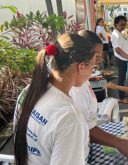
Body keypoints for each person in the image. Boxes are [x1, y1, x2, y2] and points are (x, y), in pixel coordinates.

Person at [13, 33, 95, 164]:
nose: (92, 72)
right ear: (81, 67)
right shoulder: (69, 117)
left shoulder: (29, 90)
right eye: (93, 66)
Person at [70, 30, 128, 158]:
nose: (100, 59)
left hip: (85, 148)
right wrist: (119, 143)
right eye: (96, 55)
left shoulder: (82, 79)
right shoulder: (75, 87)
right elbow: (86, 128)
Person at [111, 15, 128, 104]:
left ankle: (122, 92)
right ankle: (121, 97)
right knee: (121, 78)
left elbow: (121, 46)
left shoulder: (119, 33)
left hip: (122, 59)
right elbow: (117, 49)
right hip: (121, 59)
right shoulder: (116, 34)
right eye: (121, 24)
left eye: (124, 25)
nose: (123, 26)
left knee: (122, 78)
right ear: (116, 24)